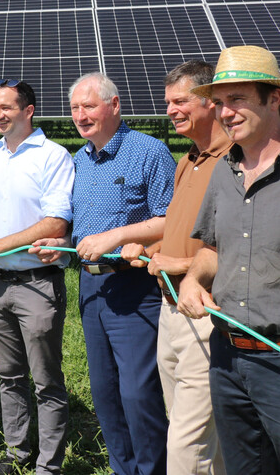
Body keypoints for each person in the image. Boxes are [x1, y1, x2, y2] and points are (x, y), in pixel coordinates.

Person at [0, 79, 74, 475]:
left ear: (29, 110)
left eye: (6, 107)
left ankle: (48, 466)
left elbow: (55, 221)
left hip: (37, 285)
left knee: (46, 382)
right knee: (9, 377)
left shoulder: (53, 156)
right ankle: (17, 452)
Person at [122, 61, 231, 475]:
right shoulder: (189, 159)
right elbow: (184, 227)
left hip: (206, 310)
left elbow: (241, 247)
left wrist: (182, 264)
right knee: (204, 436)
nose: (170, 109)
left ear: (209, 101)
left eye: (180, 100)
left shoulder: (233, 161)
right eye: (168, 102)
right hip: (170, 308)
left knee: (186, 442)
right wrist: (150, 248)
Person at [178, 45, 280, 474]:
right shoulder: (225, 170)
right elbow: (211, 250)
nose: (225, 112)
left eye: (237, 99)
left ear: (274, 98)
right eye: (219, 103)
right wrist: (191, 281)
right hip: (227, 357)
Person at [68, 72, 174, 475]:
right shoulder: (79, 159)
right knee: (105, 392)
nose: (80, 115)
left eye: (89, 106)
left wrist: (115, 237)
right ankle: (122, 468)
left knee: (138, 394)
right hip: (91, 288)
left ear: (114, 105)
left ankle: (153, 469)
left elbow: (170, 220)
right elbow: (75, 225)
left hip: (134, 287)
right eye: (75, 108)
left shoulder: (149, 152)